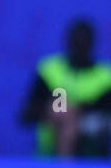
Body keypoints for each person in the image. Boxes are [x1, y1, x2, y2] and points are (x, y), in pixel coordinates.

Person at [20, 18, 111, 158]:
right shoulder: (49, 70)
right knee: (63, 110)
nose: (80, 46)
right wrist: (58, 112)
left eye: (84, 42)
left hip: (94, 156)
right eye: (76, 42)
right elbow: (27, 114)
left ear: (92, 44)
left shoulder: (106, 76)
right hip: (48, 155)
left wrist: (80, 111)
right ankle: (64, 167)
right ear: (68, 42)